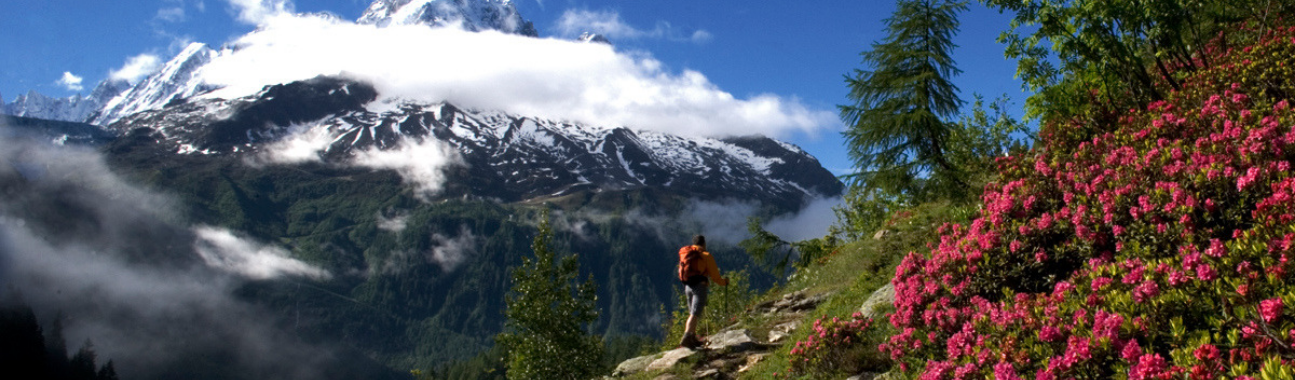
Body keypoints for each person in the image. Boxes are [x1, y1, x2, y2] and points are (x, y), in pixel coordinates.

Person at [678, 235, 728, 349]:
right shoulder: (706, 256)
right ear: (704, 244)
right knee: (695, 313)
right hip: (699, 287)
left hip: (687, 286)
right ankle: (686, 336)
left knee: (692, 311)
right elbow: (715, 277)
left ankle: (693, 339)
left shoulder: (686, 253)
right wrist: (725, 282)